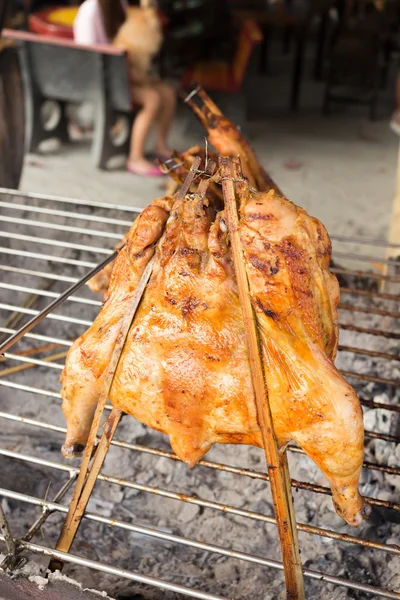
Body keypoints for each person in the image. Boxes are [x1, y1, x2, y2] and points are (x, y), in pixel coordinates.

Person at [73, 0, 176, 177]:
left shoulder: (119, 4)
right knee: (153, 99)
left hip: (122, 73)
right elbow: (88, 57)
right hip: (103, 81)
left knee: (167, 92)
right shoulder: (90, 10)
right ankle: (135, 158)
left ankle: (161, 147)